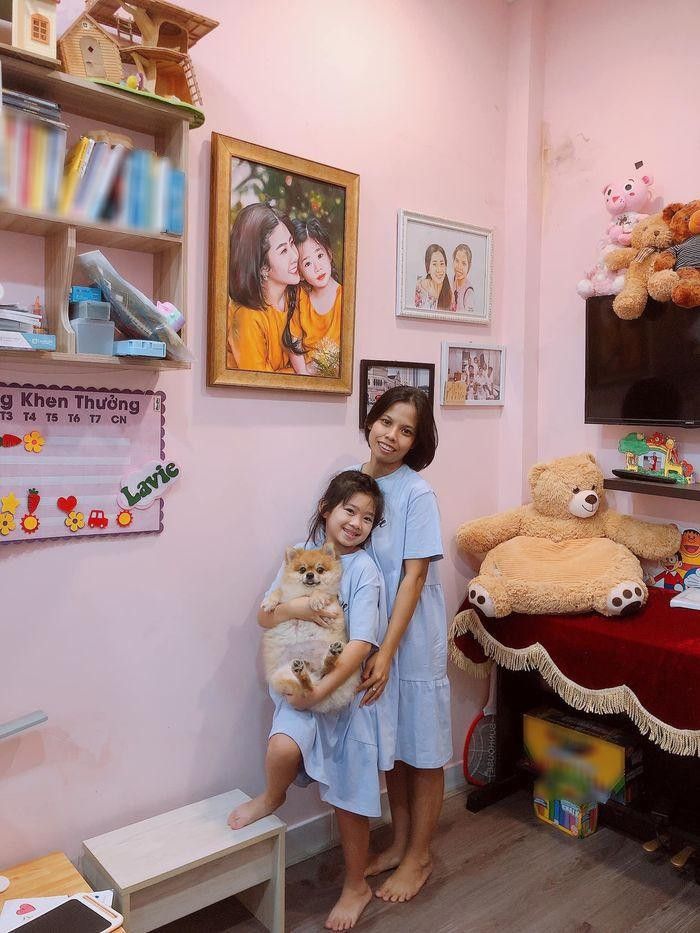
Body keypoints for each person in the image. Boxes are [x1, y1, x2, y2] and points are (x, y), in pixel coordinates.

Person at [228, 470, 394, 932]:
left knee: (349, 799)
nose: (356, 523)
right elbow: (265, 616)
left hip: (344, 697)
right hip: (301, 686)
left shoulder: (364, 572)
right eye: (349, 511)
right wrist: (298, 608)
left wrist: (323, 689)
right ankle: (272, 796)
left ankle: (356, 885)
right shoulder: (300, 555)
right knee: (281, 748)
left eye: (367, 518)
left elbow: (362, 644)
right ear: (326, 509)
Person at [356, 386, 452, 903]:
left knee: (424, 745)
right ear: (371, 421)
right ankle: (398, 843)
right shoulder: (354, 480)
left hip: (410, 634)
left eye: (406, 430)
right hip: (370, 630)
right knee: (392, 740)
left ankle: (420, 857)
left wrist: (388, 651)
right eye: (386, 422)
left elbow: (413, 578)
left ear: (417, 441)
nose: (392, 435)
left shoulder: (418, 493)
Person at [227, 203, 312, 374]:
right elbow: (260, 382)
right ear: (262, 267)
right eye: (283, 251)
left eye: (291, 243)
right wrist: (302, 372)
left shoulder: (298, 295)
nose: (295, 256)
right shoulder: (247, 316)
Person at [293, 217, 342, 376]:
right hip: (304, 375)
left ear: (329, 254)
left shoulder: (344, 299)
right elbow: (293, 339)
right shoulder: (300, 297)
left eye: (320, 256)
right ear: (300, 274)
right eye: (307, 263)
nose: (317, 267)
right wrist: (303, 373)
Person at [414, 244, 452, 311]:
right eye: (434, 264)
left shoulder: (450, 293)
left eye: (442, 264)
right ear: (428, 269)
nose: (439, 269)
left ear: (446, 267)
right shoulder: (419, 288)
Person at [451, 243, 475, 312]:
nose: (459, 267)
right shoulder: (451, 281)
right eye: (457, 261)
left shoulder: (469, 293)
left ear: (469, 266)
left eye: (464, 263)